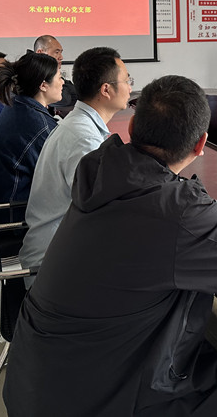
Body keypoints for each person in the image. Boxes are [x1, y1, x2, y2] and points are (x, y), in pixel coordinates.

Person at [3, 75, 217, 417]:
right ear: (201, 144)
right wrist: (196, 201)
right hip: (94, 397)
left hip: (38, 376)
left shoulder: (100, 167)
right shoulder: (175, 209)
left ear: (132, 127)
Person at [20, 47, 132, 287]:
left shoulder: (78, 123)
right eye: (127, 80)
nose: (130, 88)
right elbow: (104, 213)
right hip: (55, 269)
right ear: (106, 90)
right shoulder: (84, 140)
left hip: (63, 250)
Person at [0, 52, 63, 217]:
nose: (63, 82)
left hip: (6, 203)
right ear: (43, 85)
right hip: (17, 214)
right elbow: (58, 180)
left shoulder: (17, 104)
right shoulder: (39, 127)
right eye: (59, 77)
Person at [34, 34, 77, 113]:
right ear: (40, 52)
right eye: (56, 52)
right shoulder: (31, 75)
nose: (61, 57)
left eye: (60, 52)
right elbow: (65, 99)